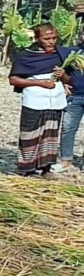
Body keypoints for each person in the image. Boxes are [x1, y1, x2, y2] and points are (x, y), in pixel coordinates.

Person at [9, 24, 72, 178]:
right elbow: (14, 79)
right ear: (37, 38)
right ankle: (27, 168)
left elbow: (69, 80)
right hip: (34, 100)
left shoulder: (60, 54)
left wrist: (63, 75)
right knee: (30, 134)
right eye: (47, 38)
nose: (51, 42)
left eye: (54, 38)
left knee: (50, 134)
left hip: (55, 101)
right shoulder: (26, 56)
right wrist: (39, 83)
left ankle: (46, 167)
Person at [55, 27, 84, 172]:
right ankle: (66, 160)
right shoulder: (71, 52)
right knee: (68, 128)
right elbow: (56, 66)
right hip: (75, 95)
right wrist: (63, 81)